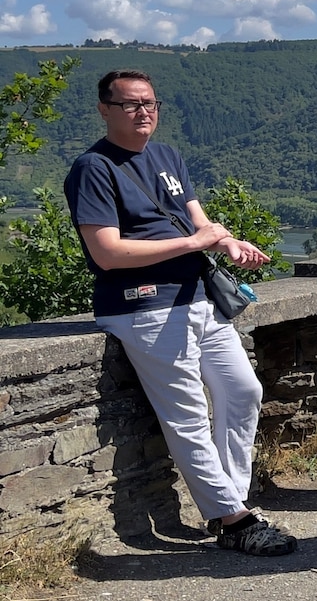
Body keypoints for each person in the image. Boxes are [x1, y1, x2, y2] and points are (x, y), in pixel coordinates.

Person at [65, 69, 296, 557]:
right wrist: (195, 243)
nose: (143, 111)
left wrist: (228, 241)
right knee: (187, 414)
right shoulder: (93, 169)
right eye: (129, 104)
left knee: (242, 389)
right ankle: (232, 519)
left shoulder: (168, 156)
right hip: (142, 306)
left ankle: (232, 501)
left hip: (197, 298)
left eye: (149, 102)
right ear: (104, 109)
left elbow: (198, 219)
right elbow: (107, 252)